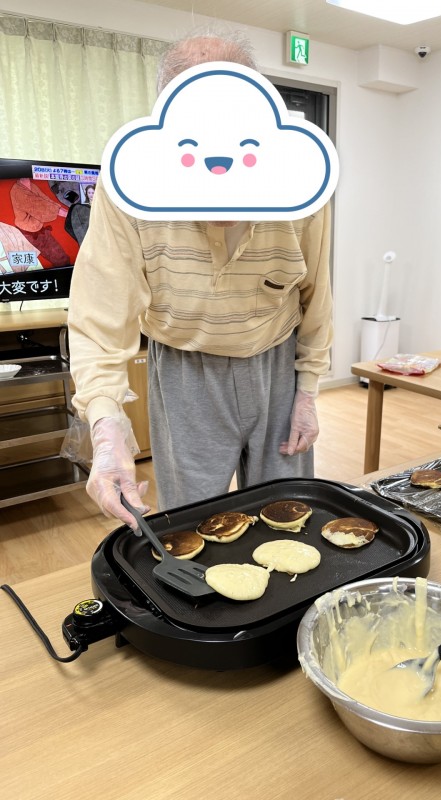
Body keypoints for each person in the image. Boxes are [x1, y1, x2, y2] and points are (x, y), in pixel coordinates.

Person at [67, 30, 333, 529]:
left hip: (276, 359)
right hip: (184, 366)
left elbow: (316, 294)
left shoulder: (299, 183)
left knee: (290, 511)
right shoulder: (129, 185)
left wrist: (308, 392)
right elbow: (99, 315)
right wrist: (107, 429)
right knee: (191, 520)